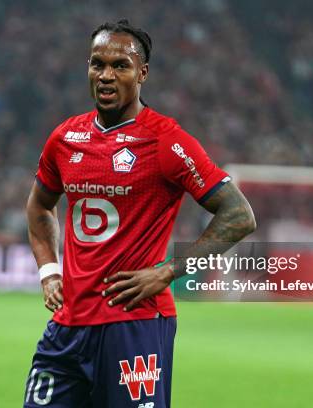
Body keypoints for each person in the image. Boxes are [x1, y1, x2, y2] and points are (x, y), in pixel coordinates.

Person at [24, 19, 256, 408]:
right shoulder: (65, 138)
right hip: (68, 326)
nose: (106, 75)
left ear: (142, 73)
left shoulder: (166, 140)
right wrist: (49, 271)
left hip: (135, 324)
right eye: (97, 64)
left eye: (120, 66)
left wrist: (167, 271)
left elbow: (238, 215)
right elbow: (39, 206)